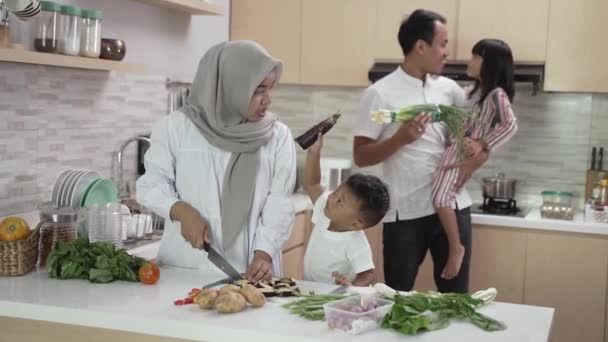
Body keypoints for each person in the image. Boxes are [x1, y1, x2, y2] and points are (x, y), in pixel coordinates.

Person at [136, 40, 297, 282]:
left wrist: (263, 255)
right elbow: (151, 184)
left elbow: (279, 204)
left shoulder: (278, 136)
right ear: (229, 86)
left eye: (271, 88)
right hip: (186, 268)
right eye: (258, 89)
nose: (267, 99)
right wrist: (181, 211)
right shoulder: (175, 128)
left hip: (253, 272)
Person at [353, 9, 488, 293]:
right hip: (405, 215)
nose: (447, 52)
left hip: (452, 207)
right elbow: (361, 155)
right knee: (397, 297)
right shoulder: (379, 94)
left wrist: (474, 159)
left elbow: (474, 140)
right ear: (420, 46)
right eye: (442, 44)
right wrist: (400, 139)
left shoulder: (450, 91)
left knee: (456, 301)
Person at [433, 38, 518, 279]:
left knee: (440, 198)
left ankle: (456, 248)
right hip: (454, 149)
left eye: (475, 57)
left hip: (462, 151)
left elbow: (510, 125)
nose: (469, 61)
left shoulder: (496, 94)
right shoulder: (473, 91)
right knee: (441, 196)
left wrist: (482, 144)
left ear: (489, 63)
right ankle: (456, 247)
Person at [302, 133, 390, 286]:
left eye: (340, 201)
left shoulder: (355, 242)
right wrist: (314, 152)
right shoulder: (326, 214)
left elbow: (368, 274)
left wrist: (351, 288)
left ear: (356, 224)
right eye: (336, 192)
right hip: (310, 290)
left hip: (336, 300)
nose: (331, 198)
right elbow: (313, 184)